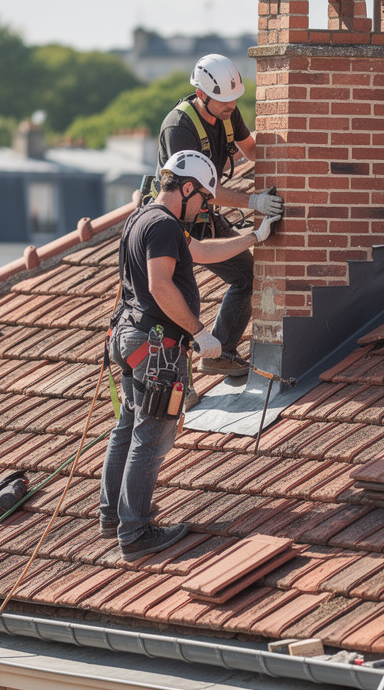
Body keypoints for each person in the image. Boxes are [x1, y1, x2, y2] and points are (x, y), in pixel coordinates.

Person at [101, 150, 278, 560]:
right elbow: (161, 286)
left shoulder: (144, 218)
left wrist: (254, 238)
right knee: (153, 434)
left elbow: (201, 252)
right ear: (185, 188)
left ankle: (114, 516)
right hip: (157, 348)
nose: (203, 207)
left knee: (127, 425)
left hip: (129, 340)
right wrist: (200, 334)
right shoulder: (163, 227)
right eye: (202, 198)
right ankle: (135, 532)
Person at [155, 54, 285, 377]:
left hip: (202, 215)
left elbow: (252, 150)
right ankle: (174, 380)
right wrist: (253, 201)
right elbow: (199, 188)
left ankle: (219, 352)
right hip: (172, 221)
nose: (231, 107)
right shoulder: (179, 127)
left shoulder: (227, 113)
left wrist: (285, 165)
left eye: (234, 100)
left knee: (248, 276)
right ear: (201, 95)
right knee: (179, 301)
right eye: (223, 101)